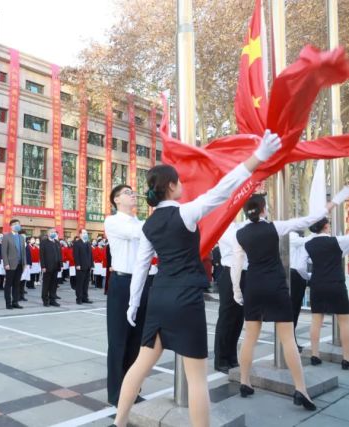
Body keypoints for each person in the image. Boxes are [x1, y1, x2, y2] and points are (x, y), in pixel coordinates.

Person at [114, 130, 281, 427]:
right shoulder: (187, 213)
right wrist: (258, 158)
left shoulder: (148, 225)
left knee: (140, 366)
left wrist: (133, 304)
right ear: (171, 186)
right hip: (186, 300)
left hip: (159, 298)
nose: (182, 184)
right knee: (196, 380)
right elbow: (223, 189)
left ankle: (118, 423)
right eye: (178, 181)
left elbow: (141, 268)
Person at [232, 193, 343, 410]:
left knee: (249, 337)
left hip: (253, 286)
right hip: (275, 285)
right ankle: (301, 389)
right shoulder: (275, 227)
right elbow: (306, 221)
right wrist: (330, 205)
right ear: (263, 210)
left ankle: (245, 382)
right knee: (288, 339)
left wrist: (238, 292)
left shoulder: (240, 234)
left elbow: (237, 266)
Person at [104, 184, 157, 407]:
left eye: (133, 191)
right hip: (123, 283)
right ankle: (116, 393)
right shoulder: (113, 221)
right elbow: (142, 233)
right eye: (127, 192)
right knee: (119, 339)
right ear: (116, 200)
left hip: (144, 282)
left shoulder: (139, 222)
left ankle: (132, 389)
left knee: (138, 340)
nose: (133, 195)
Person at [301, 217, 349, 369]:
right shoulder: (338, 241)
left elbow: (302, 267)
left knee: (316, 320)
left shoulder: (307, 244)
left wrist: (311, 277)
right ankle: (346, 359)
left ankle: (315, 355)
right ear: (327, 225)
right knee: (345, 321)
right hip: (336, 283)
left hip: (318, 284)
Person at [213, 221, 248, 374]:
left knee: (238, 318)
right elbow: (239, 242)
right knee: (227, 318)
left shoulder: (240, 226)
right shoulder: (225, 227)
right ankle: (221, 359)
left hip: (245, 273)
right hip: (230, 273)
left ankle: (232, 356)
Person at [1, 219, 27, 309]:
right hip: (10, 264)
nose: (17, 226)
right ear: (11, 226)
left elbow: (23, 251)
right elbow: (4, 252)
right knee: (8, 284)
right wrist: (6, 263)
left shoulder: (21, 237)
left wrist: (25, 263)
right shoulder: (6, 236)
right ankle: (8, 303)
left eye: (18, 224)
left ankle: (15, 302)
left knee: (17, 284)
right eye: (15, 224)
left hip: (20, 264)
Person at [40, 228, 62, 307]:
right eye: (52, 232)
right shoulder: (44, 242)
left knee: (54, 284)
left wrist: (61, 265)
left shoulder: (57, 242)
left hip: (56, 266)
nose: (53, 233)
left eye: (54, 232)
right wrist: (43, 266)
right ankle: (45, 300)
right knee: (46, 284)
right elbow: (42, 255)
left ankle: (52, 300)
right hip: (47, 267)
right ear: (48, 233)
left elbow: (60, 254)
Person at [73, 229, 93, 305]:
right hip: (80, 266)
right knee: (80, 283)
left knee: (86, 283)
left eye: (86, 233)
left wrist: (91, 265)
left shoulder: (88, 243)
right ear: (80, 234)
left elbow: (91, 255)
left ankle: (85, 298)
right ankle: (79, 298)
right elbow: (76, 255)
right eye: (84, 233)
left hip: (88, 266)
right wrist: (77, 264)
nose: (86, 234)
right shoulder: (77, 243)